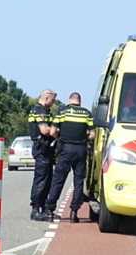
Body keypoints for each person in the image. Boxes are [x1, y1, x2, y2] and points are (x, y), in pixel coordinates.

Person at [44, 92, 95, 223]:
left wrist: (60, 138)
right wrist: (83, 138)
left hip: (66, 149)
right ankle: (74, 211)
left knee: (58, 180)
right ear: (80, 101)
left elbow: (52, 131)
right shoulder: (86, 113)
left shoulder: (62, 112)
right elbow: (92, 135)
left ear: (69, 100)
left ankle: (50, 209)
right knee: (78, 182)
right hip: (81, 150)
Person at [28, 88, 58, 221]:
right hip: (42, 149)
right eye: (52, 100)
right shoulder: (40, 111)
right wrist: (58, 130)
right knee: (41, 179)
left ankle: (43, 209)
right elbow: (45, 130)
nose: (53, 103)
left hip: (46, 149)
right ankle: (35, 209)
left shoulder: (43, 111)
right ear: (46, 98)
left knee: (47, 179)